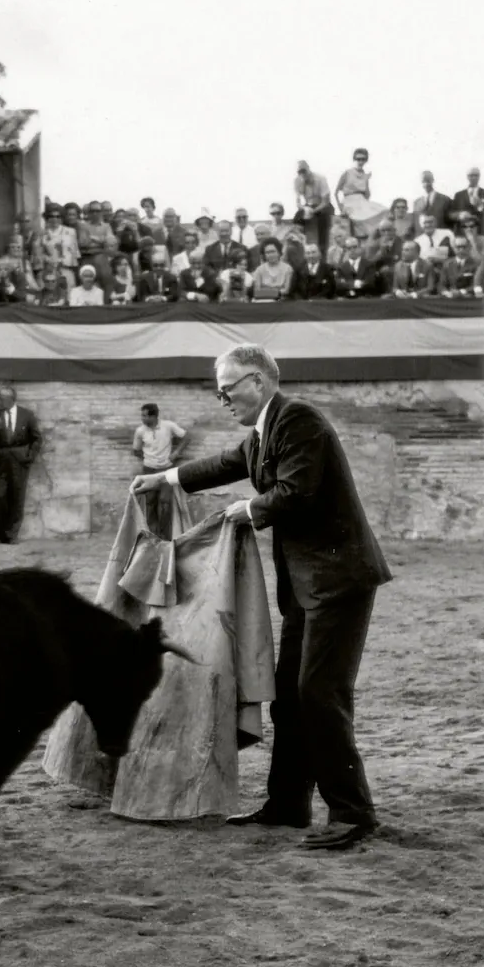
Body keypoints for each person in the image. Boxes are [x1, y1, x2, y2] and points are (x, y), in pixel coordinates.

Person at [132, 344, 391, 850]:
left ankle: (354, 813)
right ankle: (289, 804)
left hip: (338, 582)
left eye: (227, 390)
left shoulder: (299, 422)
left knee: (320, 692)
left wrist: (247, 510)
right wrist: (164, 479)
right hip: (308, 584)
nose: (223, 399)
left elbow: (297, 493)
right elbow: (227, 462)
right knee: (291, 696)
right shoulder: (265, 431)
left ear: (259, 381)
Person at [0, 385, 43, 544]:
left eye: (3, 398)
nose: (0, 401)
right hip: (1, 461)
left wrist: (29, 456)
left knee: (17, 497)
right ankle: (2, 533)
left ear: (12, 399)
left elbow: (37, 438)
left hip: (19, 461)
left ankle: (11, 535)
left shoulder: (26, 415)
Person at [131, 403, 187, 539]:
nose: (142, 418)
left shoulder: (168, 426)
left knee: (165, 502)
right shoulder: (140, 431)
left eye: (145, 416)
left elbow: (186, 437)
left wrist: (176, 453)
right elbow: (136, 450)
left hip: (166, 470)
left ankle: (165, 536)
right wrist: (149, 459)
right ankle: (152, 535)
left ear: (154, 416)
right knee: (150, 502)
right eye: (142, 415)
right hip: (149, 470)